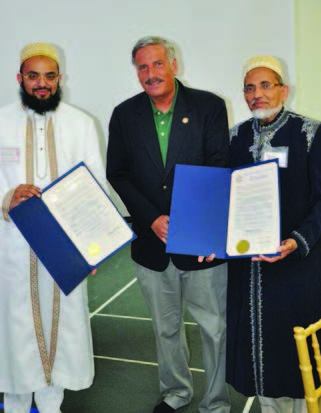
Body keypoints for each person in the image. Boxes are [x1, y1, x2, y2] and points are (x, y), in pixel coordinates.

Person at [106, 36, 230, 413]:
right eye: (143, 67)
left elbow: (217, 166)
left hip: (200, 241)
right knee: (166, 328)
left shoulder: (209, 107)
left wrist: (190, 223)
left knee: (214, 328)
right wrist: (152, 219)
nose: (150, 73)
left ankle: (216, 402)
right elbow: (119, 173)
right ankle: (175, 393)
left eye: (157, 64)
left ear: (174, 65)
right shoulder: (124, 114)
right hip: (150, 243)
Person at [0, 42, 105, 413]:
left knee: (64, 326)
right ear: (20, 78)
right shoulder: (1, 121)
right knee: (15, 329)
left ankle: (50, 406)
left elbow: (96, 188)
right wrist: (7, 196)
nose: (41, 84)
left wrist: (93, 247)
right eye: (33, 76)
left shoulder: (81, 123)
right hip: (12, 247)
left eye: (48, 76)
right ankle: (13, 405)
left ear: (60, 79)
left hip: (66, 248)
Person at [227, 55, 321, 412]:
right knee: (259, 359)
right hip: (248, 267)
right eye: (250, 88)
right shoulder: (236, 137)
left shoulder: (311, 133)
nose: (258, 94)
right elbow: (224, 197)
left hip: (294, 266)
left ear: (283, 89)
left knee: (295, 355)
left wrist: (296, 241)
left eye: (266, 85)